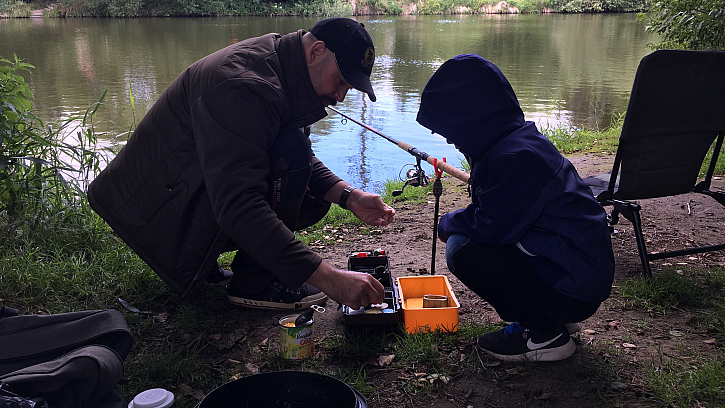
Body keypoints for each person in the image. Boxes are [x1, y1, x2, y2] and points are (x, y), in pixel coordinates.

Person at [88, 18, 395, 311]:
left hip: (177, 194)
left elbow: (291, 158)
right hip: (151, 215)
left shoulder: (286, 68)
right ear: (316, 52)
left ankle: (216, 262)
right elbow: (238, 204)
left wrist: (350, 197)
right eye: (341, 81)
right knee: (288, 164)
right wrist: (330, 278)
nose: (341, 95)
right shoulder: (245, 86)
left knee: (313, 197)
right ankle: (255, 283)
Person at [416, 54, 614, 362]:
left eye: (451, 128)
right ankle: (551, 315)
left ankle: (545, 334)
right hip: (577, 273)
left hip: (576, 286)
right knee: (473, 241)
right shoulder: (515, 142)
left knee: (462, 248)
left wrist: (448, 222)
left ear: (472, 118)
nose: (449, 138)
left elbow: (492, 226)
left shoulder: (514, 159)